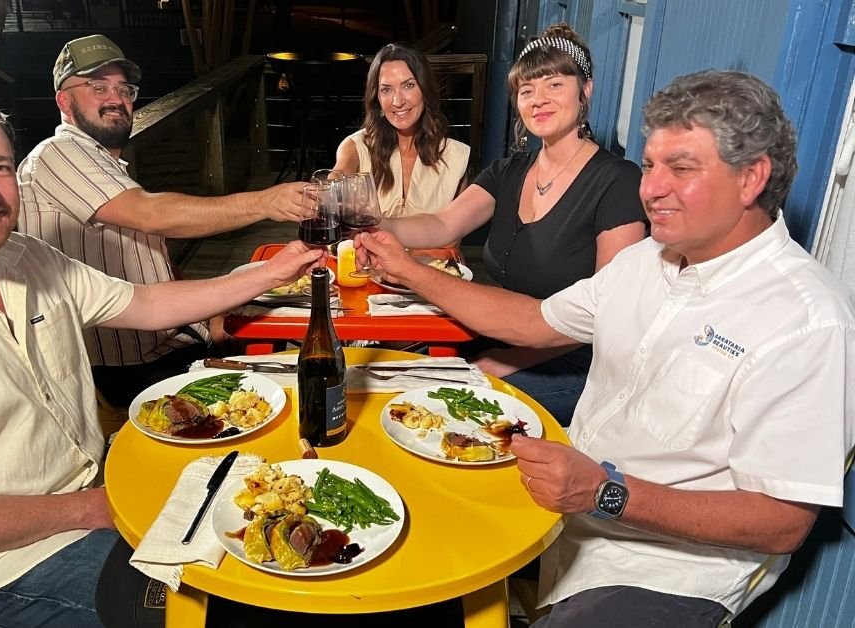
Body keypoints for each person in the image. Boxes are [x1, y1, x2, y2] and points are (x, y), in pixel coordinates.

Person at [356, 69, 855, 625]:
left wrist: (607, 493)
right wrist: (407, 269)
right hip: (561, 515)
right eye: (648, 166)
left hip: (666, 572)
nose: (650, 188)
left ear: (751, 179)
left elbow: (781, 522)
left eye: (681, 168)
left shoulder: (810, 320)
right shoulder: (647, 260)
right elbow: (533, 322)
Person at [0, 93, 323, 627]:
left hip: (97, 499)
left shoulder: (27, 257)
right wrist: (91, 508)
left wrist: (273, 273)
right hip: (1, 573)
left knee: (279, 521)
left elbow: (149, 303)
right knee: (227, 609)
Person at [18, 34, 311, 406]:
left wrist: (210, 319)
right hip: (127, 370)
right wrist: (267, 201)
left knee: (293, 334)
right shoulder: (58, 153)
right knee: (298, 386)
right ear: (64, 99)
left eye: (125, 89)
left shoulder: (102, 163)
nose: (116, 99)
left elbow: (150, 265)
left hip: (171, 342)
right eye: (98, 87)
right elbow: (153, 213)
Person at [376, 24, 647, 425]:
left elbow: (603, 318)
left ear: (585, 90)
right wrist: (370, 222)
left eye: (554, 84)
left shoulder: (618, 181)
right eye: (527, 90)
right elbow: (441, 225)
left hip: (577, 362)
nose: (539, 99)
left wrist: (502, 362)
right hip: (506, 334)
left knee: (436, 407)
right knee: (392, 375)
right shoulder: (509, 171)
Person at [332, 42, 470, 218]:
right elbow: (339, 175)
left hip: (435, 247)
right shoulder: (356, 147)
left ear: (425, 90)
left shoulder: (456, 157)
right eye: (386, 89)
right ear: (377, 99)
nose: (397, 101)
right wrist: (330, 185)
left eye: (408, 86)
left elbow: (453, 237)